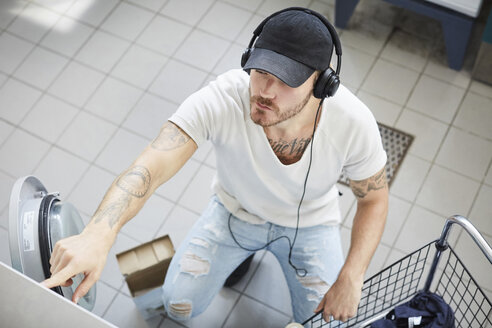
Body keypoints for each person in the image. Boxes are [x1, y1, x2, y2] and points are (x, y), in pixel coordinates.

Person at [42, 7, 388, 325]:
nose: (265, 90)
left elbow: (374, 200)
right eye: (260, 70)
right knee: (177, 303)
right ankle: (209, 259)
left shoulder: (354, 123)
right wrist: (98, 234)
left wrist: (352, 276)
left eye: (286, 79)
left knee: (328, 322)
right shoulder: (224, 96)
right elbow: (152, 163)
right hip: (234, 211)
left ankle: (239, 260)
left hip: (311, 224)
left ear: (322, 83)